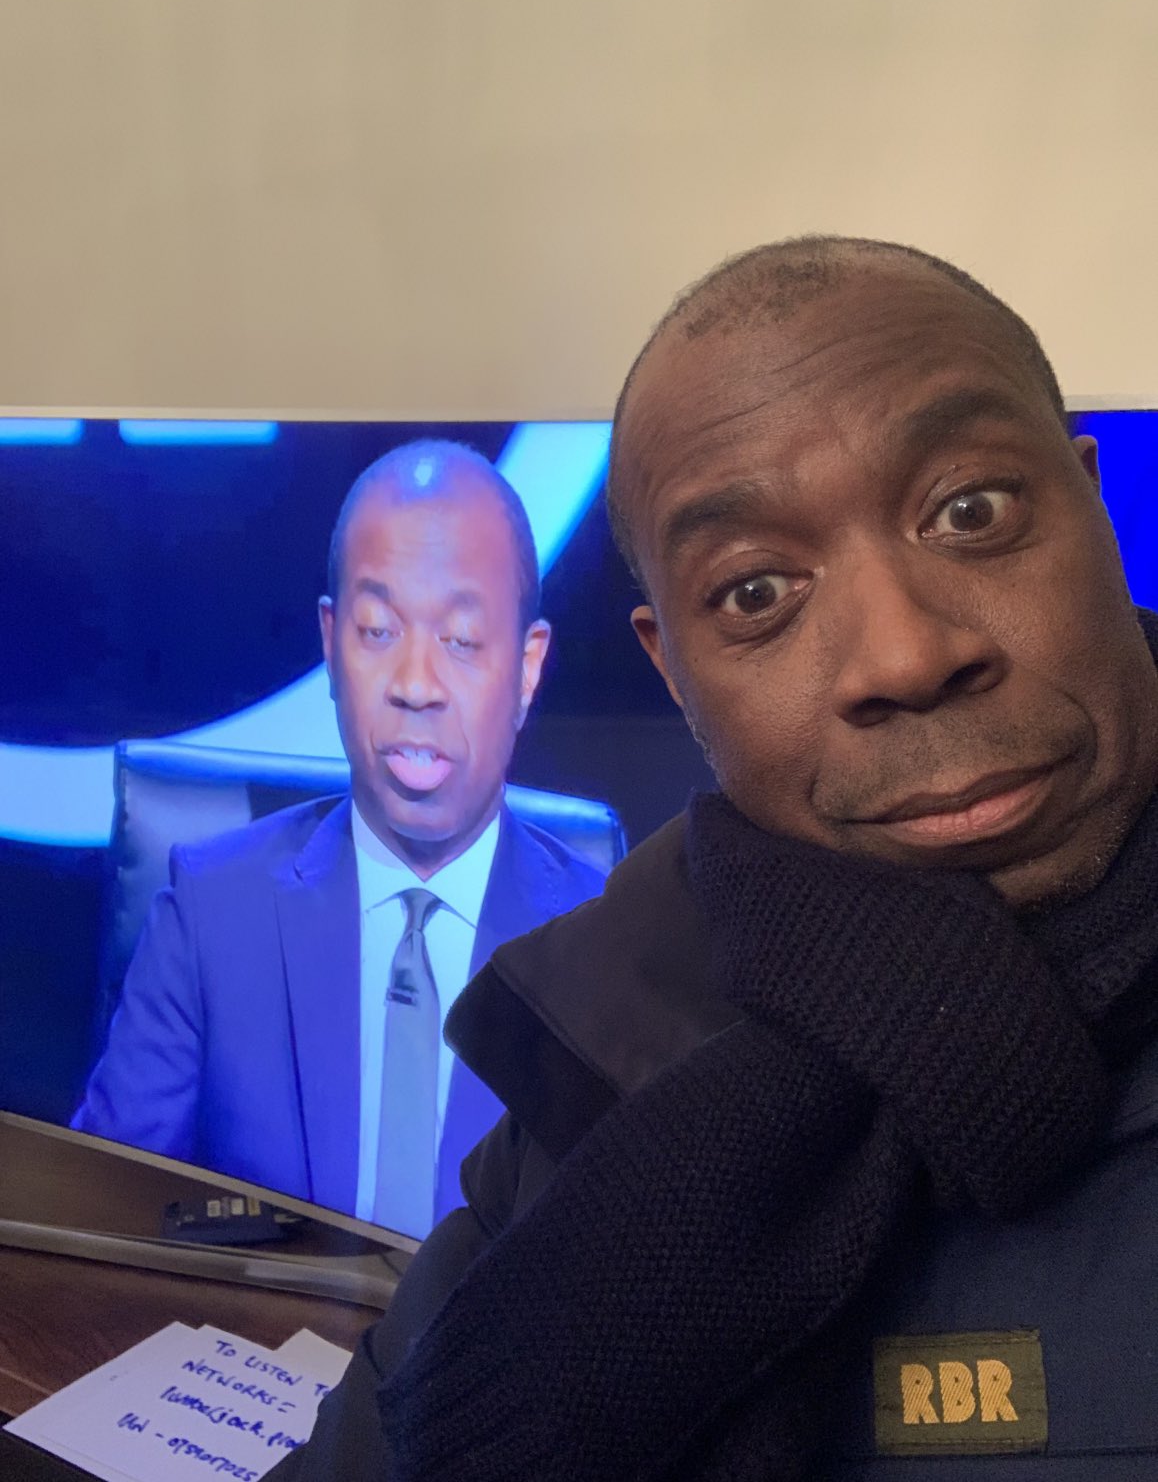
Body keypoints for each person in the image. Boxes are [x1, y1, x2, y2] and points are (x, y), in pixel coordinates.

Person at [273, 238, 1158, 1480]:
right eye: (755, 592)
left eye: (971, 511)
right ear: (672, 670)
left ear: (1093, 505)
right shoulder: (601, 1025)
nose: (904, 655)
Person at [73, 441, 609, 1236]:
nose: (416, 685)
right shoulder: (211, 916)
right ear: (330, 644)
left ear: (528, 668)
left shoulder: (608, 952)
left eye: (462, 640)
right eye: (378, 631)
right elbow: (102, 1231)